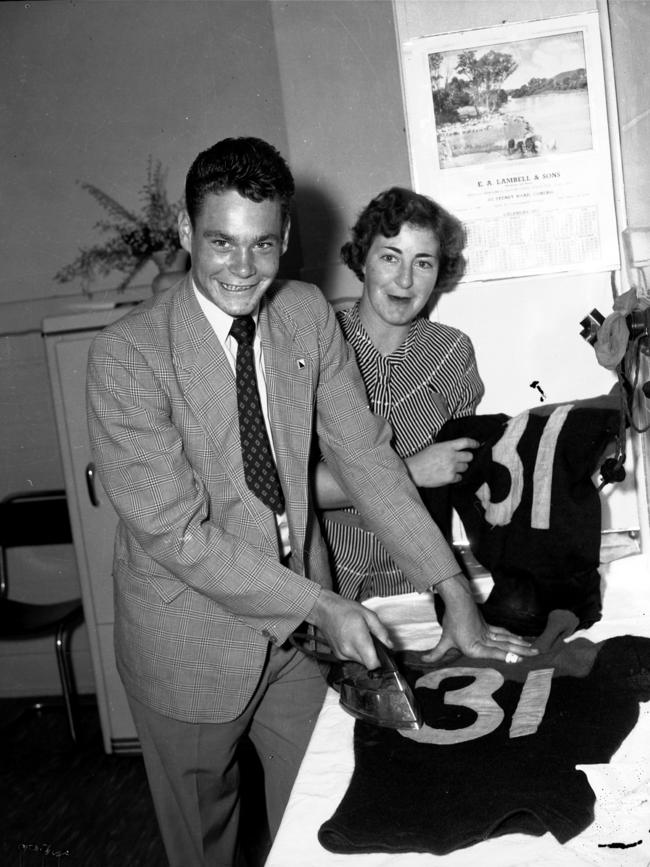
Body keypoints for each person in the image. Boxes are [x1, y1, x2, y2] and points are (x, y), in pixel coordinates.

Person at [86, 137, 536, 867]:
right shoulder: (127, 357)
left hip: (297, 643)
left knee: (330, 821)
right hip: (188, 645)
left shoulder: (303, 312)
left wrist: (450, 587)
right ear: (183, 230)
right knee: (205, 849)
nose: (242, 268)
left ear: (287, 236)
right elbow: (179, 535)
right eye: (221, 242)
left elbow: (364, 456)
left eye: (263, 245)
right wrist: (323, 605)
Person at [316, 186, 483, 601]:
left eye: (422, 263)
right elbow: (288, 489)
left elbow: (462, 473)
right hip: (328, 575)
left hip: (419, 575)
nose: (405, 280)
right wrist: (409, 471)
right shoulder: (316, 342)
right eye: (390, 257)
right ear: (364, 260)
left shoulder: (452, 352)